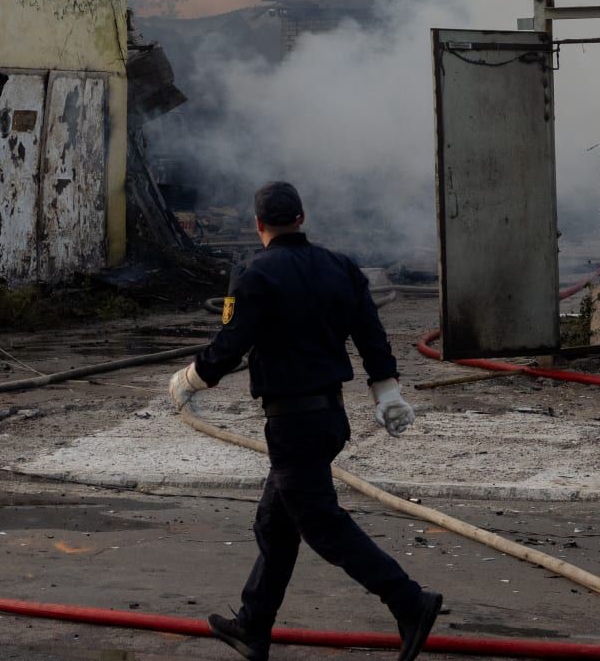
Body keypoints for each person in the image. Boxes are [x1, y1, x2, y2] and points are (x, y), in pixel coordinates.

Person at [168, 181, 443, 661]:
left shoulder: (254, 273)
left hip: (292, 423)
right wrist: (388, 392)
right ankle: (253, 626)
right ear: (301, 218)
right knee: (275, 525)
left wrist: (191, 378)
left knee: (321, 526)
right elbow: (371, 335)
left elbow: (230, 345)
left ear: (258, 226)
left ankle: (409, 601)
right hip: (329, 418)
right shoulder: (341, 267)